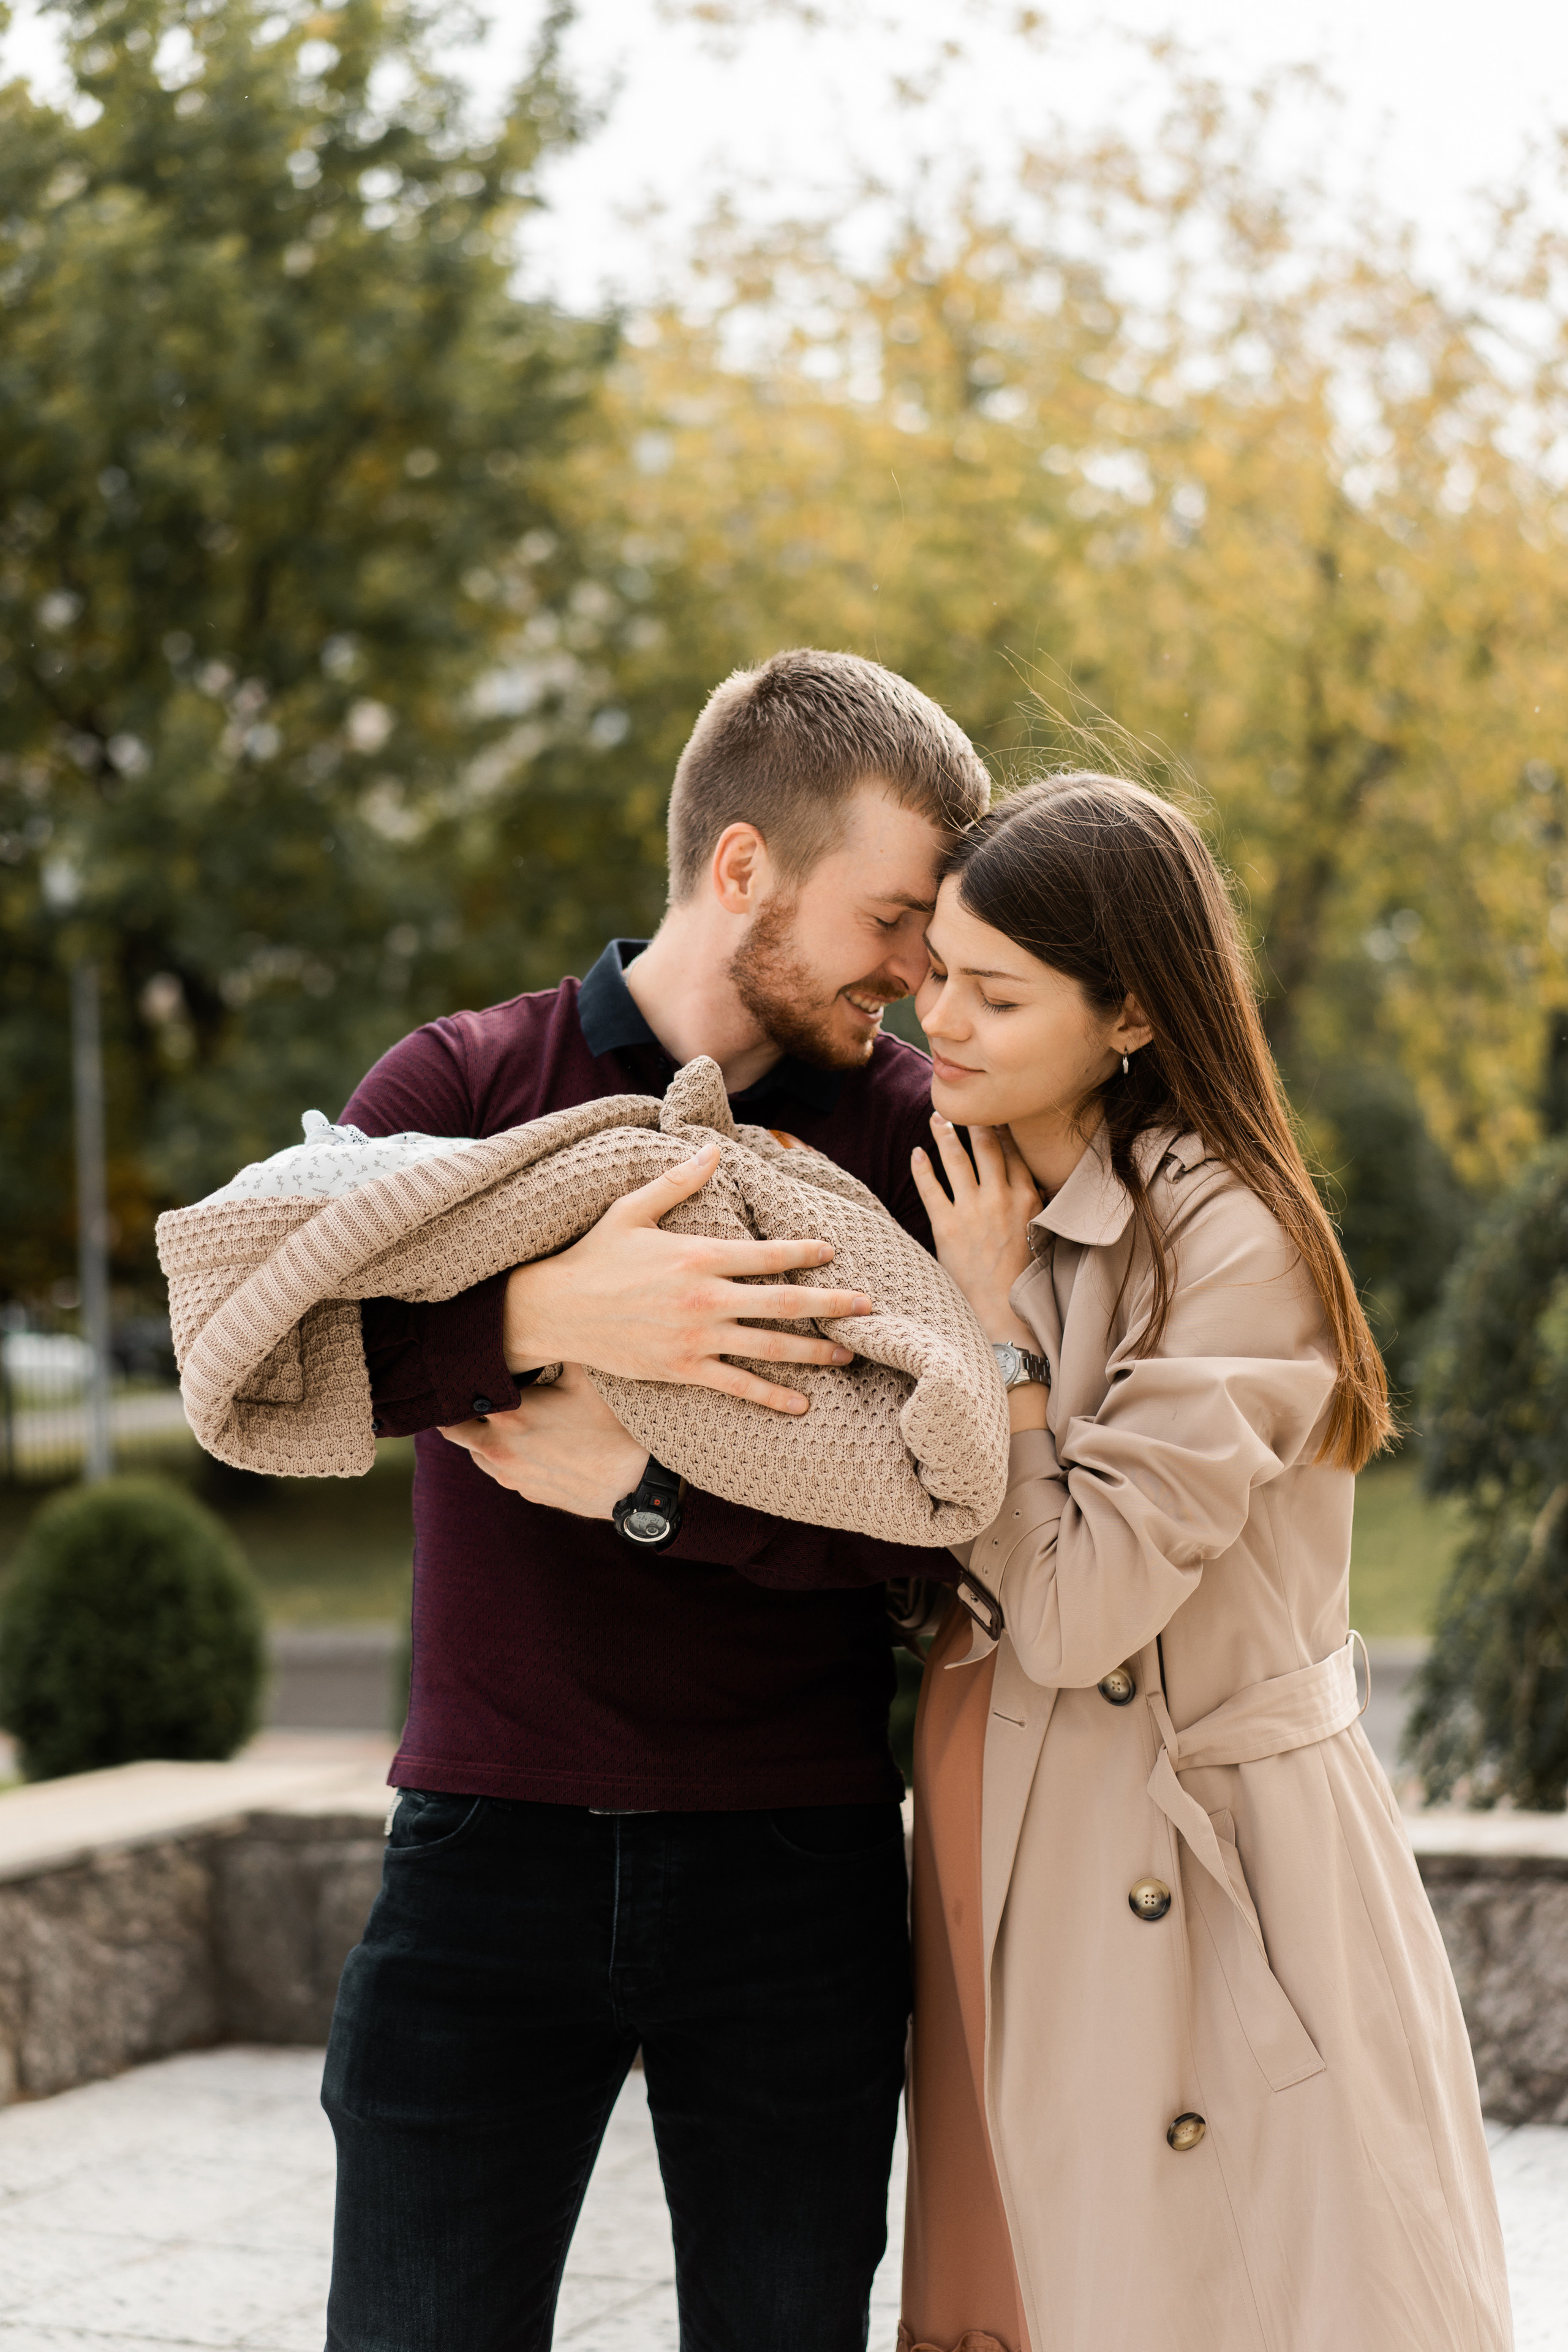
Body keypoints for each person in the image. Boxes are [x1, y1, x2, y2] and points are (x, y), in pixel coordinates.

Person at [319, 648, 992, 2352]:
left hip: (795, 1862)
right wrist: (547, 1315)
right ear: (745, 866)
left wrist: (645, 1492)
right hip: (481, 1851)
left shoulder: (919, 1146)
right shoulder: (463, 1086)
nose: (919, 980)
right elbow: (283, 1362)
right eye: (897, 920)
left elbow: (934, 1514)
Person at [899, 774, 1510, 2352]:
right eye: (935, 968)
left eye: (993, 990)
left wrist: (994, 1339)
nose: (937, 1017)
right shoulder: (968, 1175)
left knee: (1225, 2291)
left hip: (1209, 1853)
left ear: (1128, 1018)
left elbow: (1076, 1604)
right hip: (1001, 1828)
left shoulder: (1231, 1238)